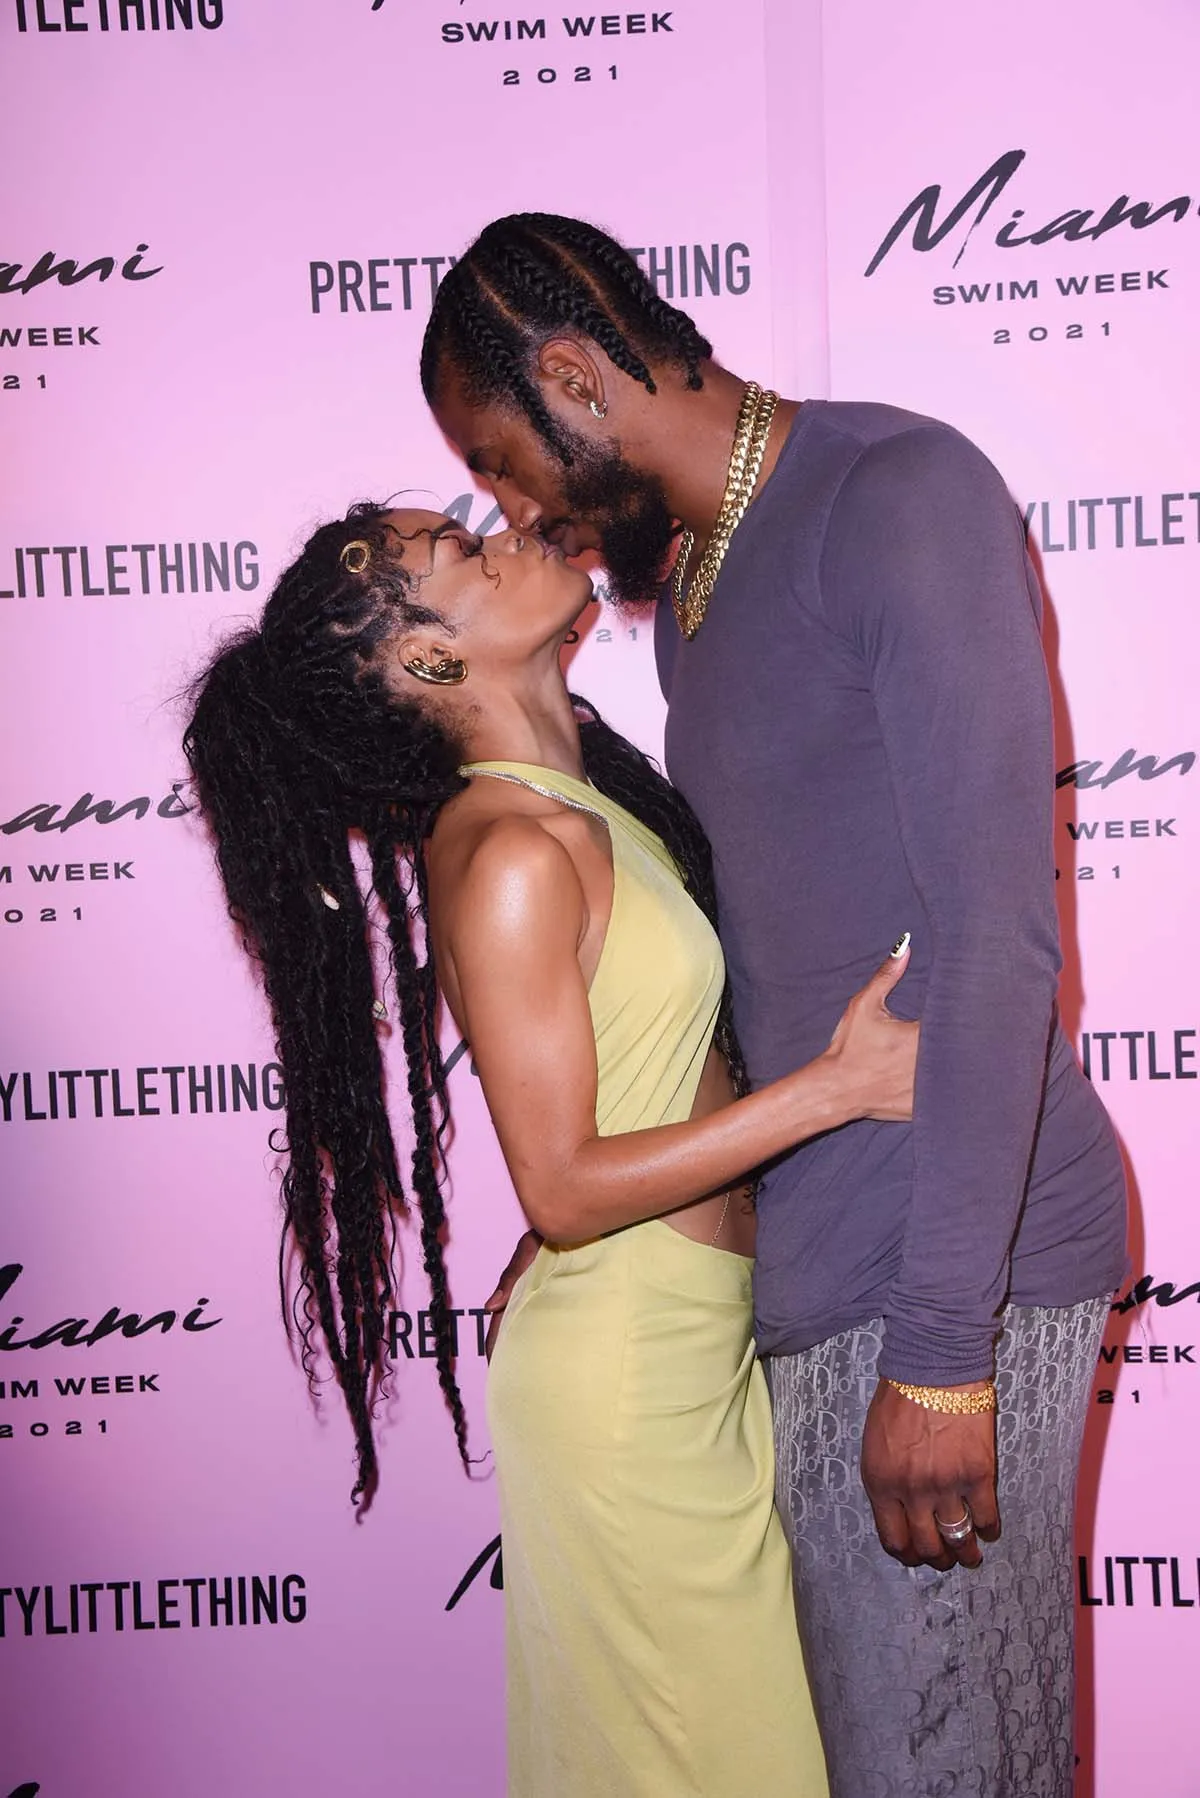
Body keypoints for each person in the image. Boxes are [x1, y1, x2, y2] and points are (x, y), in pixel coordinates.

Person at [421, 212, 1130, 1798]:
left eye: (502, 464)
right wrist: (596, 1190)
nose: (510, 509)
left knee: (943, 1766)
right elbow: (776, 953)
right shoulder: (690, 590)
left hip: (953, 1271)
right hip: (814, 1283)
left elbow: (998, 944)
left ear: (573, 377)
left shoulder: (897, 497)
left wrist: (942, 1352)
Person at [183, 501, 923, 1797]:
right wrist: (838, 1088)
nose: (511, 533)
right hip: (631, 1386)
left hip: (682, 1351)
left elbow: (617, 1095)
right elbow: (566, 1186)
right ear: (427, 658)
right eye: (464, 552)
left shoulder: (570, 806)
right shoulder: (513, 848)